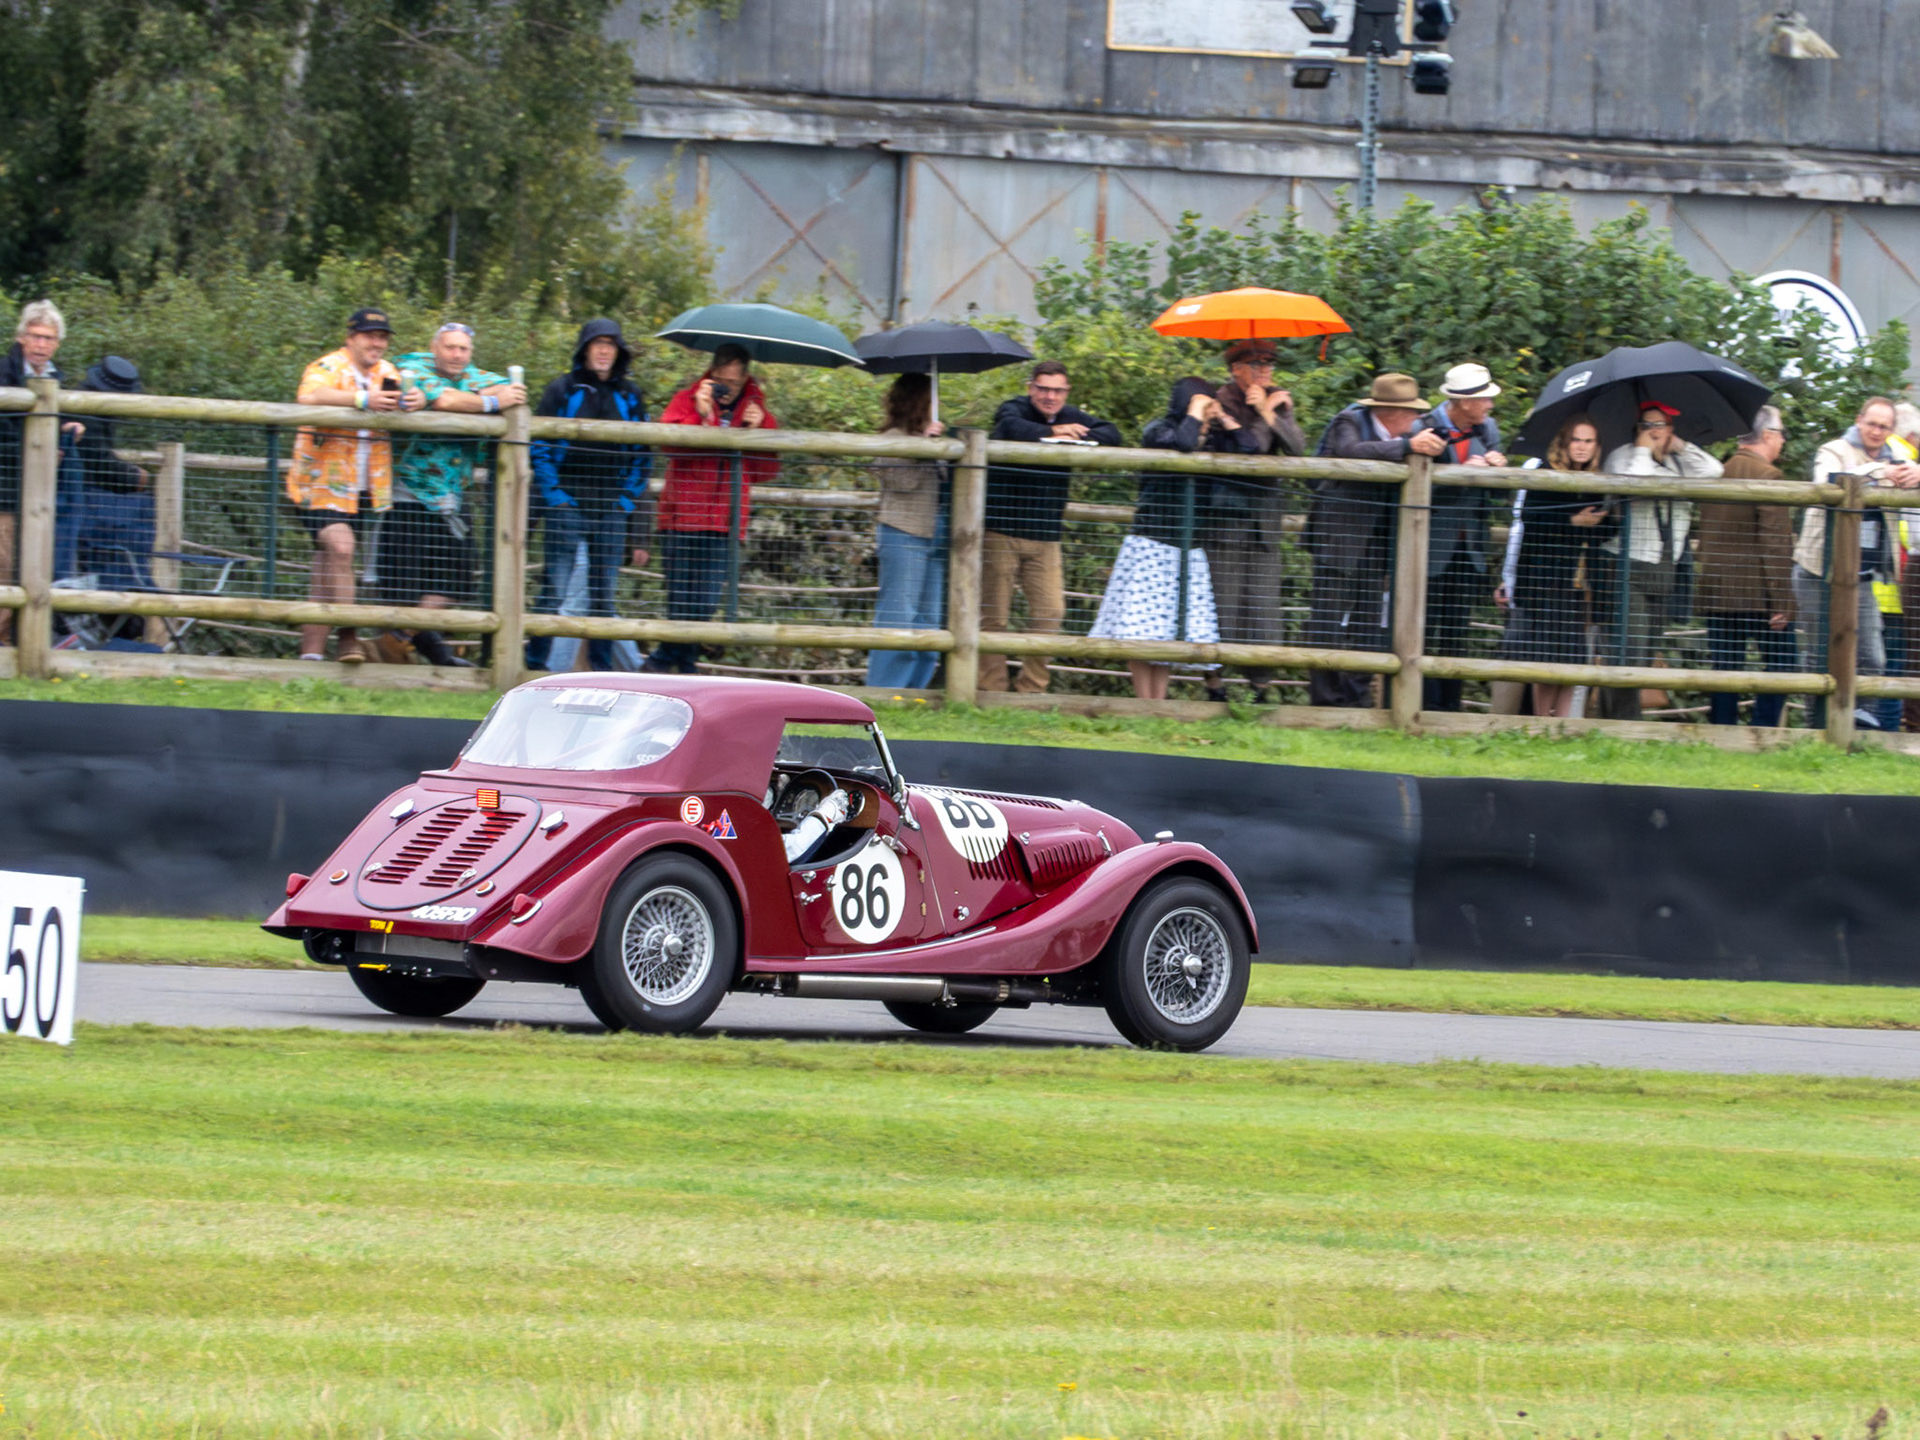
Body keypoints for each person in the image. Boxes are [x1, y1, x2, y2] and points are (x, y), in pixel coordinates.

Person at [1304, 373, 1447, 708]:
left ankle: (1359, 699)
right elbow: (1350, 450)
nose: (1416, 419)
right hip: (1339, 537)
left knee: (1369, 622)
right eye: (1412, 412)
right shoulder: (1348, 420)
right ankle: (1325, 700)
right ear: (1390, 412)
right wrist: (1408, 446)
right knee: (1327, 618)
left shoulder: (1410, 431)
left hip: (1380, 541)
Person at [290, 308, 424, 663]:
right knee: (342, 547)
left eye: (382, 337)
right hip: (320, 483)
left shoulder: (388, 372)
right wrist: (362, 400)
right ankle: (349, 637)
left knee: (327, 566)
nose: (377, 343)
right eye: (369, 335)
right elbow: (309, 396)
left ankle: (311, 657)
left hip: (365, 488)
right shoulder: (328, 366)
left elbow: (412, 398)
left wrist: (416, 401)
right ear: (351, 337)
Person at [389, 322, 527, 667]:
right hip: (409, 493)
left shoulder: (472, 376)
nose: (456, 355)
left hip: (454, 497)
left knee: (459, 580)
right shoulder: (410, 368)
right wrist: (490, 402)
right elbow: (447, 398)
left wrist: (482, 399)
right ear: (434, 347)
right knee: (402, 588)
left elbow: (510, 390)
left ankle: (395, 640)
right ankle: (423, 652)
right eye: (450, 347)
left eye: (463, 349)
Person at [979, 362, 1122, 693]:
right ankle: (990, 691)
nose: (1050, 396)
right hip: (1000, 530)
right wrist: (1055, 433)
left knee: (1050, 613)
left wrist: (1074, 432)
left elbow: (1111, 433)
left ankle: (1032, 690)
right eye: (1043, 388)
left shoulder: (1070, 415)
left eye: (1057, 390)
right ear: (1031, 388)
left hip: (1046, 535)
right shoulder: (1013, 409)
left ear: (1066, 392)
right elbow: (1011, 428)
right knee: (993, 615)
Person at [527, 319, 653, 674]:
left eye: (610, 344)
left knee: (603, 595)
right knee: (555, 588)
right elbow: (538, 447)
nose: (603, 351)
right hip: (567, 504)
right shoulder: (562, 390)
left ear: (618, 352)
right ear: (584, 349)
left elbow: (643, 455)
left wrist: (625, 503)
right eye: (596, 343)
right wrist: (557, 498)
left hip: (611, 507)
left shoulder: (630, 395)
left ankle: (603, 673)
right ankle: (534, 667)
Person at [1091, 377, 1224, 700]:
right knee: (1140, 626)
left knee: (1167, 629)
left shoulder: (1213, 436)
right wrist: (1195, 411)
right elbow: (1181, 443)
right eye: (1204, 404)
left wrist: (1224, 419)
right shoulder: (1158, 429)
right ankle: (1143, 700)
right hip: (1151, 544)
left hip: (1188, 547)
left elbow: (1248, 444)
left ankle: (1158, 702)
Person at [651, 342, 778, 673]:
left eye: (733, 383)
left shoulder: (756, 411)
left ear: (746, 379)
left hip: (725, 521)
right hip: (680, 517)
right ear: (711, 374)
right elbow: (669, 445)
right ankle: (683, 669)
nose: (727, 389)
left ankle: (662, 664)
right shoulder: (687, 399)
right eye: (721, 380)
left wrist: (760, 428)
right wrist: (702, 414)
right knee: (680, 602)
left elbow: (766, 471)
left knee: (705, 604)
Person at [1795, 396, 1920, 730]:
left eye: (1884, 427)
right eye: (1872, 424)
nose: (1877, 432)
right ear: (1859, 420)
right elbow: (1828, 481)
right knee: (1821, 652)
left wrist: (1916, 476)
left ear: (1892, 430)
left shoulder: (1902, 458)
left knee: (1872, 657)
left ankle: (1859, 722)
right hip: (1818, 570)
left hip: (1862, 575)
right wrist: (1880, 471)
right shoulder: (1834, 449)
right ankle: (1816, 726)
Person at [1594, 402, 1722, 720]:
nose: (1654, 431)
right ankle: (1623, 723)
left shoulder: (1679, 462)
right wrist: (1642, 450)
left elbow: (1714, 471)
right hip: (1629, 566)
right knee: (1629, 650)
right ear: (1636, 429)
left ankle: (1623, 719)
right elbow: (1637, 480)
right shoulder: (1622, 456)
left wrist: (1678, 445)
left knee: (1649, 649)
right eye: (1647, 425)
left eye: (1661, 425)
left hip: (1666, 568)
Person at [1196, 340, 1306, 703]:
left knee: (1263, 606)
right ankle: (1215, 683)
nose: (1265, 371)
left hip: (1264, 520)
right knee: (1221, 604)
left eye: (1269, 364)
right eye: (1256, 364)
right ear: (1236, 369)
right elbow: (1250, 449)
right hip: (1225, 518)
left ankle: (1261, 687)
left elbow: (1298, 447)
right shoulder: (1220, 399)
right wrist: (1261, 413)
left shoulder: (1277, 398)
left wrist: (1273, 413)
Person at [1495, 415, 1609, 717]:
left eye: (1588, 441)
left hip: (1576, 583)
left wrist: (1608, 518)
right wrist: (1572, 521)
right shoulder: (1543, 472)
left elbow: (1601, 533)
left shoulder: (1597, 480)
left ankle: (1562, 724)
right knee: (1547, 655)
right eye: (1576, 440)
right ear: (1564, 442)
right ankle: (1541, 721)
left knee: (1573, 655)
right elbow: (1530, 519)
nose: (1582, 447)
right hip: (1541, 578)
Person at [1411, 363, 1508, 711]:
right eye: (1484, 399)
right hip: (1429, 547)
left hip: (1469, 550)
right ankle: (1420, 705)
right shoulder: (1423, 427)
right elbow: (1418, 491)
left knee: (1456, 630)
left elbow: (1494, 499)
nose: (1490, 406)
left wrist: (1497, 472)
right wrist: (1461, 474)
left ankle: (1450, 709)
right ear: (1463, 401)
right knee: (1423, 629)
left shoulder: (1489, 430)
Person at [1693, 407, 1796, 727]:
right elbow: (1776, 543)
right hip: (1759, 594)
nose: (1781, 442)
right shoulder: (1770, 476)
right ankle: (1761, 730)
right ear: (1767, 436)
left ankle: (1722, 732)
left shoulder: (1719, 472)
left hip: (1718, 590)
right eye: (1780, 435)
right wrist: (1781, 600)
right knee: (1782, 664)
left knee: (1725, 668)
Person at [0, 301, 81, 644]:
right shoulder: (4, 375)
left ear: (57, 343)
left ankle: (10, 643)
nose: (41, 344)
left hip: (37, 497)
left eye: (48, 338)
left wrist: (70, 429)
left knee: (25, 570)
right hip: (5, 491)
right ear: (21, 338)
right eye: (35, 336)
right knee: (4, 568)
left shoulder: (55, 380)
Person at [866, 373, 948, 691]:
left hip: (936, 536)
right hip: (903, 533)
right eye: (932, 399)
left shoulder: (930, 435)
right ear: (918, 402)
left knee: (929, 618)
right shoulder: (892, 436)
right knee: (898, 614)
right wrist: (924, 446)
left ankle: (916, 690)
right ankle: (887, 690)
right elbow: (903, 482)